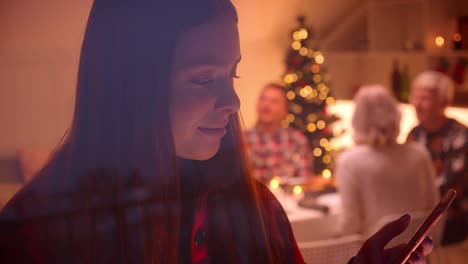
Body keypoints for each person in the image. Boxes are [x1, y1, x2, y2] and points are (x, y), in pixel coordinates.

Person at [0, 0, 433, 263]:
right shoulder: (37, 233)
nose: (233, 102)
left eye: (234, 75)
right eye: (205, 79)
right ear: (128, 86)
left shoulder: (255, 209)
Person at [335, 85, 440, 238]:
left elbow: (350, 225)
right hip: (418, 252)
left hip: (377, 255)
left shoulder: (349, 161)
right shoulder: (420, 154)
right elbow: (434, 208)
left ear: (357, 118)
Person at [407, 70, 468, 245]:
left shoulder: (460, 136)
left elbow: (449, 188)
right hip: (420, 216)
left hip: (451, 222)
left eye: (424, 99)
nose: (417, 104)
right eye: (415, 97)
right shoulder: (415, 133)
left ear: (444, 103)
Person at [245, 83, 312, 184]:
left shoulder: (298, 140)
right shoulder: (242, 140)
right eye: (263, 99)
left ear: (285, 110)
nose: (266, 105)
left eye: (274, 101)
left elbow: (304, 181)